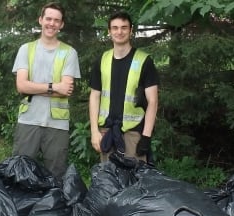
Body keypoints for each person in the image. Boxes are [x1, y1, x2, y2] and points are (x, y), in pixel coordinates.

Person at [12, 2, 80, 179]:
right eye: (48, 18)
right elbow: (21, 86)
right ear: (40, 20)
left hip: (57, 124)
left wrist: (32, 88)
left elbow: (65, 90)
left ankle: (53, 207)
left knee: (56, 177)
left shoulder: (69, 52)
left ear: (61, 24)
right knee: (20, 172)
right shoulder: (26, 49)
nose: (52, 23)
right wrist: (53, 87)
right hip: (29, 120)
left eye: (56, 20)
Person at [89, 10, 159, 163]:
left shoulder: (144, 61)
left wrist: (146, 137)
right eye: (115, 28)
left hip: (133, 134)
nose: (119, 31)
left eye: (124, 27)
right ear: (109, 31)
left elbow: (153, 101)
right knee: (109, 183)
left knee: (134, 184)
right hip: (106, 133)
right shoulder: (102, 60)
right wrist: (94, 131)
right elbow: (94, 96)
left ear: (131, 30)